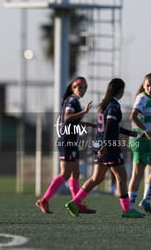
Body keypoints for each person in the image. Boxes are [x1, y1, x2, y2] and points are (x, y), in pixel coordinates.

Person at [65, 78, 144, 218]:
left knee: (97, 178)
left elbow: (112, 126)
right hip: (108, 147)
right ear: (120, 91)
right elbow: (108, 127)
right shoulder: (113, 106)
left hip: (99, 144)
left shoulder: (104, 105)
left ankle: (74, 202)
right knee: (121, 176)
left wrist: (129, 133)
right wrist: (106, 146)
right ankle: (127, 210)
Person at [35, 76, 96, 214]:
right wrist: (84, 113)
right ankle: (44, 200)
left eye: (85, 88)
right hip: (66, 140)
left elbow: (72, 121)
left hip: (71, 140)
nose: (83, 90)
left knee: (75, 173)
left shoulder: (74, 101)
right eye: (80, 87)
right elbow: (68, 117)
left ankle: (77, 204)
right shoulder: (72, 100)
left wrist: (90, 124)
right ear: (73, 88)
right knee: (65, 173)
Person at [128, 72, 151, 215]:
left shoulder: (150, 99)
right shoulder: (142, 98)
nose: (150, 88)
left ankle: (146, 200)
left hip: (145, 140)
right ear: (144, 85)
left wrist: (147, 133)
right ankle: (129, 207)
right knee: (137, 174)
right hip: (139, 139)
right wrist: (146, 131)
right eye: (148, 85)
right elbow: (132, 116)